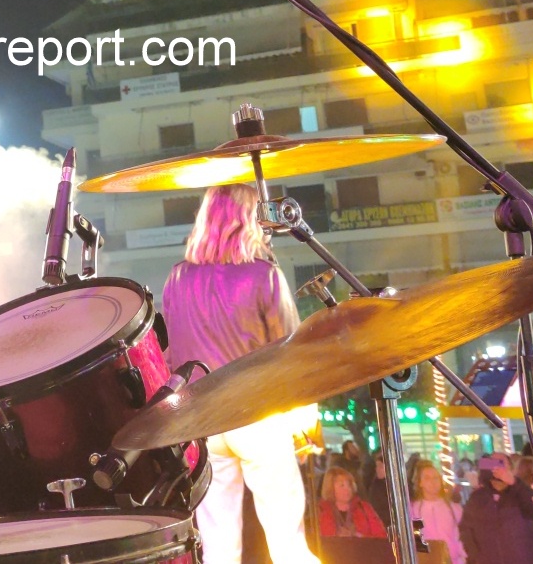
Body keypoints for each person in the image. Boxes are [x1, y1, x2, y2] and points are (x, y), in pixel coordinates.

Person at [162, 183, 318, 564]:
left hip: (203, 421)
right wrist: (306, 420)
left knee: (218, 547)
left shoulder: (177, 279)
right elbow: (292, 352)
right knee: (287, 539)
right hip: (257, 414)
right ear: (248, 220)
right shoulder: (264, 275)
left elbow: (172, 356)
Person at [461, 454, 533, 564]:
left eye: (500, 463)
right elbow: (466, 530)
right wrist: (476, 558)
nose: (496, 468)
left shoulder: (522, 491)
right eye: (492, 463)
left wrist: (514, 483)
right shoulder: (477, 498)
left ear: (511, 469)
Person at [411, 462, 466, 564]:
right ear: (420, 483)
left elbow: (462, 537)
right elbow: (415, 539)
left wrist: (462, 558)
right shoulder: (414, 510)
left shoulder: (454, 509)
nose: (432, 482)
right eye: (427, 478)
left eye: (435, 478)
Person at [318, 466, 388, 539]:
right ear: (330, 488)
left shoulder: (364, 508)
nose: (348, 489)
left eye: (349, 485)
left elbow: (381, 536)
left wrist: (356, 535)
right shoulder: (320, 511)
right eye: (342, 485)